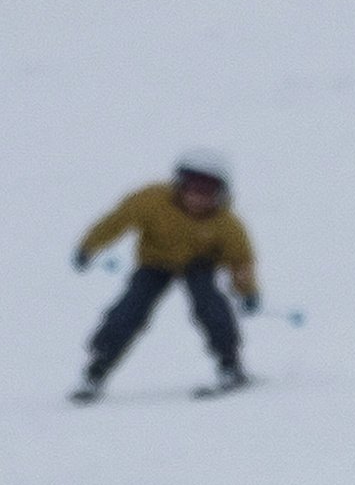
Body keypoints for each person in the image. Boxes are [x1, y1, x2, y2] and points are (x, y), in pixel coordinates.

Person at [70, 150, 257, 402]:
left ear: (219, 194)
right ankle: (95, 372)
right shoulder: (151, 200)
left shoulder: (226, 223)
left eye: (208, 191)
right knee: (131, 309)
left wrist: (247, 291)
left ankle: (230, 366)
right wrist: (88, 246)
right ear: (179, 185)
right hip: (154, 263)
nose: (198, 198)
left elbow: (240, 260)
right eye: (192, 187)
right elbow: (116, 221)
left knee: (210, 305)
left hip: (198, 265)